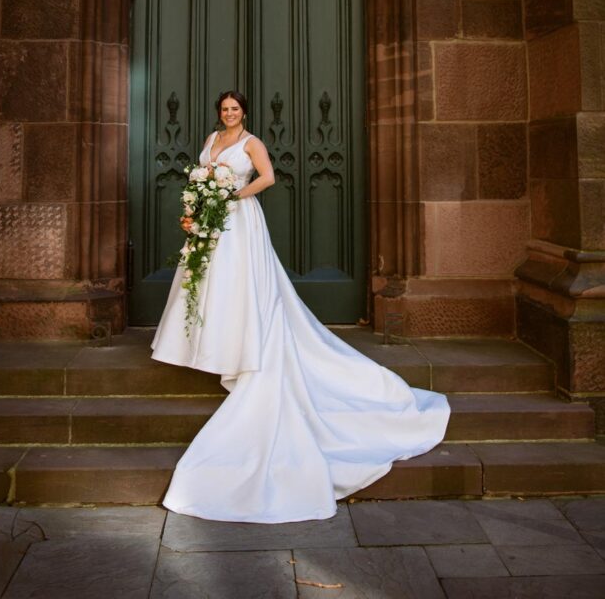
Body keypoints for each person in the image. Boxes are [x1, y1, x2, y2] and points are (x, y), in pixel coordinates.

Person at [151, 90, 450, 523]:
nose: (229, 114)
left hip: (239, 218)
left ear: (244, 113)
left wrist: (231, 195)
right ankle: (212, 343)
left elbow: (268, 177)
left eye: (234, 109)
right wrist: (199, 206)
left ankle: (242, 343)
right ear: (219, 113)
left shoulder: (250, 142)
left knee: (239, 283)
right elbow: (201, 175)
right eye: (224, 109)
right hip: (211, 221)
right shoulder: (211, 139)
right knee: (206, 281)